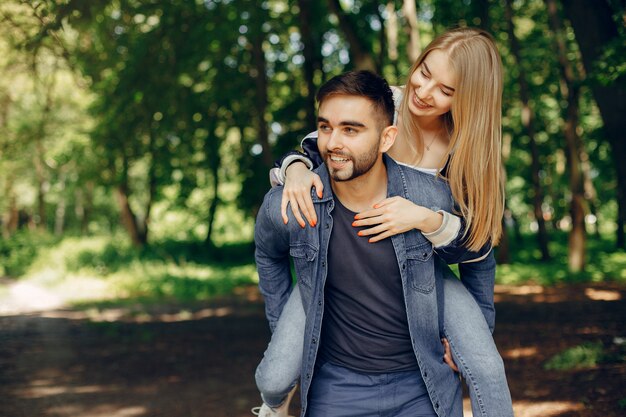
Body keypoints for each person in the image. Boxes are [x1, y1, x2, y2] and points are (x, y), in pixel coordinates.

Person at [254, 28, 513, 417]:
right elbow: (322, 144)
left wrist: (426, 218)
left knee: (488, 367)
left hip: (422, 267)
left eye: (447, 90)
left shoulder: (465, 150)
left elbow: (476, 249)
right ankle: (276, 403)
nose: (425, 92)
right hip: (339, 251)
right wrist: (293, 168)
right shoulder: (383, 101)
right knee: (274, 374)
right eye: (424, 72)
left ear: (470, 100)